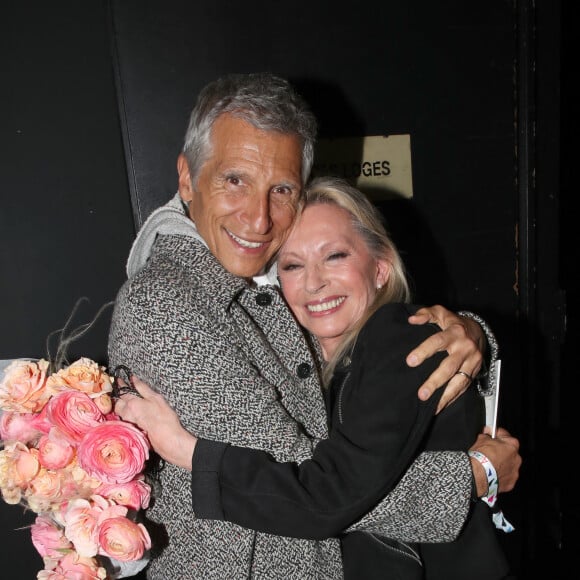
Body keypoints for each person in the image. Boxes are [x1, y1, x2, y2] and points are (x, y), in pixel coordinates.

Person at [108, 72, 506, 579]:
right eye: (235, 180)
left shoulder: (255, 278)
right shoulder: (167, 304)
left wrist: (472, 333)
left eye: (281, 189)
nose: (258, 220)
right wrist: (474, 476)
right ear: (187, 178)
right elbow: (307, 480)